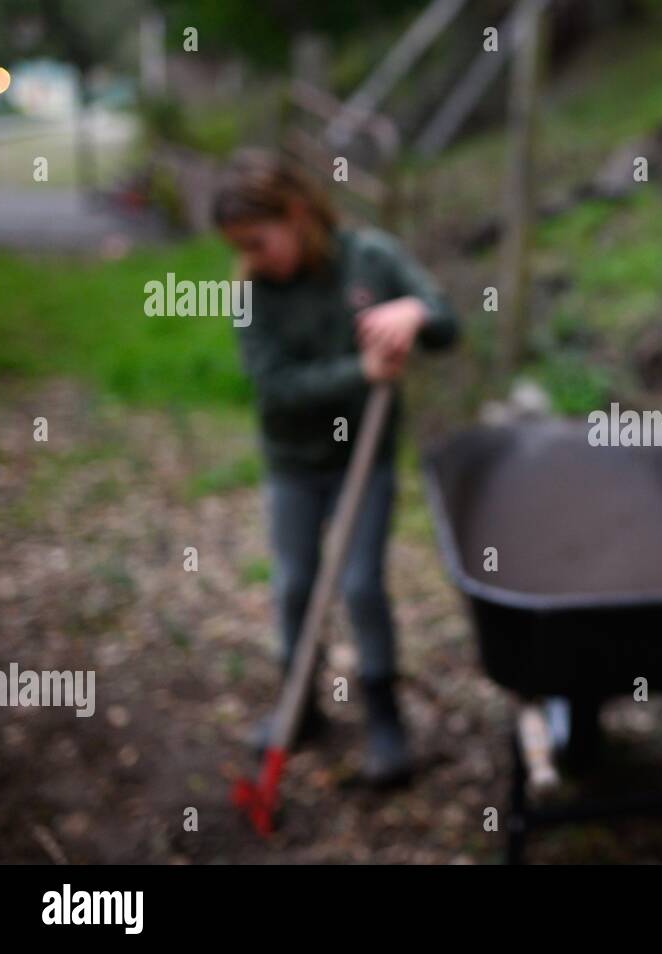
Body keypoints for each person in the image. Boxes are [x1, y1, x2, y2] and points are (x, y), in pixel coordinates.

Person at [213, 149, 458, 786]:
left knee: (360, 586)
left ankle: (384, 717)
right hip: (293, 465)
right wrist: (360, 371)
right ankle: (301, 708)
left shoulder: (370, 259)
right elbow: (274, 387)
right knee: (294, 584)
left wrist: (416, 312)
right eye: (239, 246)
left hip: (363, 461)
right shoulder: (252, 294)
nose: (250, 256)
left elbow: (447, 322)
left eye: (258, 241)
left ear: (296, 214)